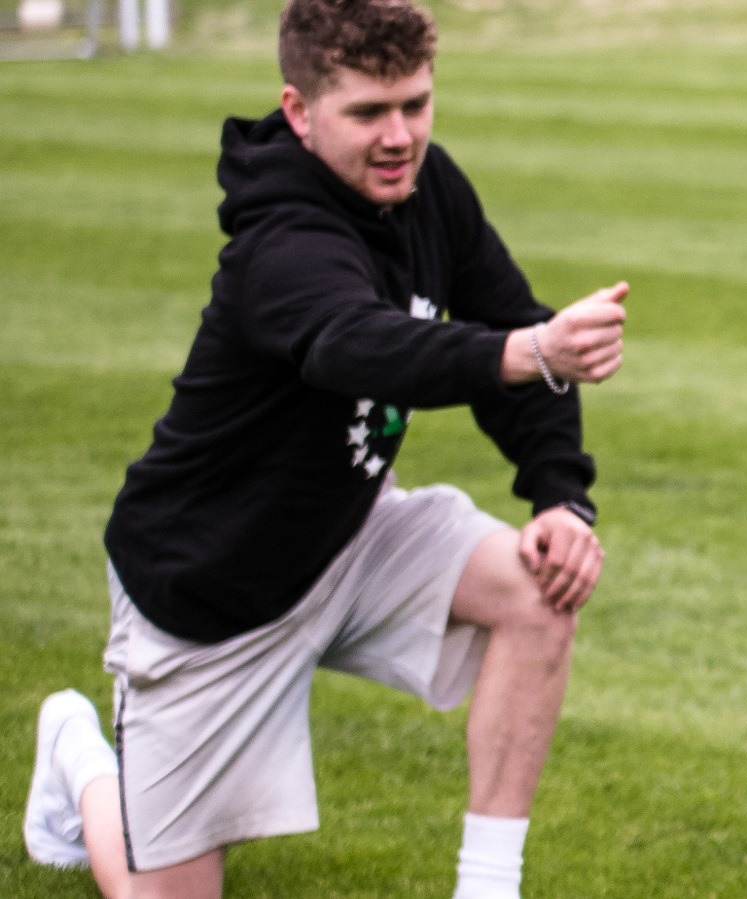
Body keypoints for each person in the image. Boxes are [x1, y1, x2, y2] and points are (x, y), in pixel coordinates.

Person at [21, 1, 630, 896]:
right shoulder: (281, 240)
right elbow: (356, 343)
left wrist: (559, 499)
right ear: (300, 112)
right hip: (211, 590)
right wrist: (526, 353)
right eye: (368, 113)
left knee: (543, 584)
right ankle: (81, 756)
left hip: (350, 535)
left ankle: (488, 886)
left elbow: (507, 314)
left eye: (415, 105)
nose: (400, 137)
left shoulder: (430, 187)